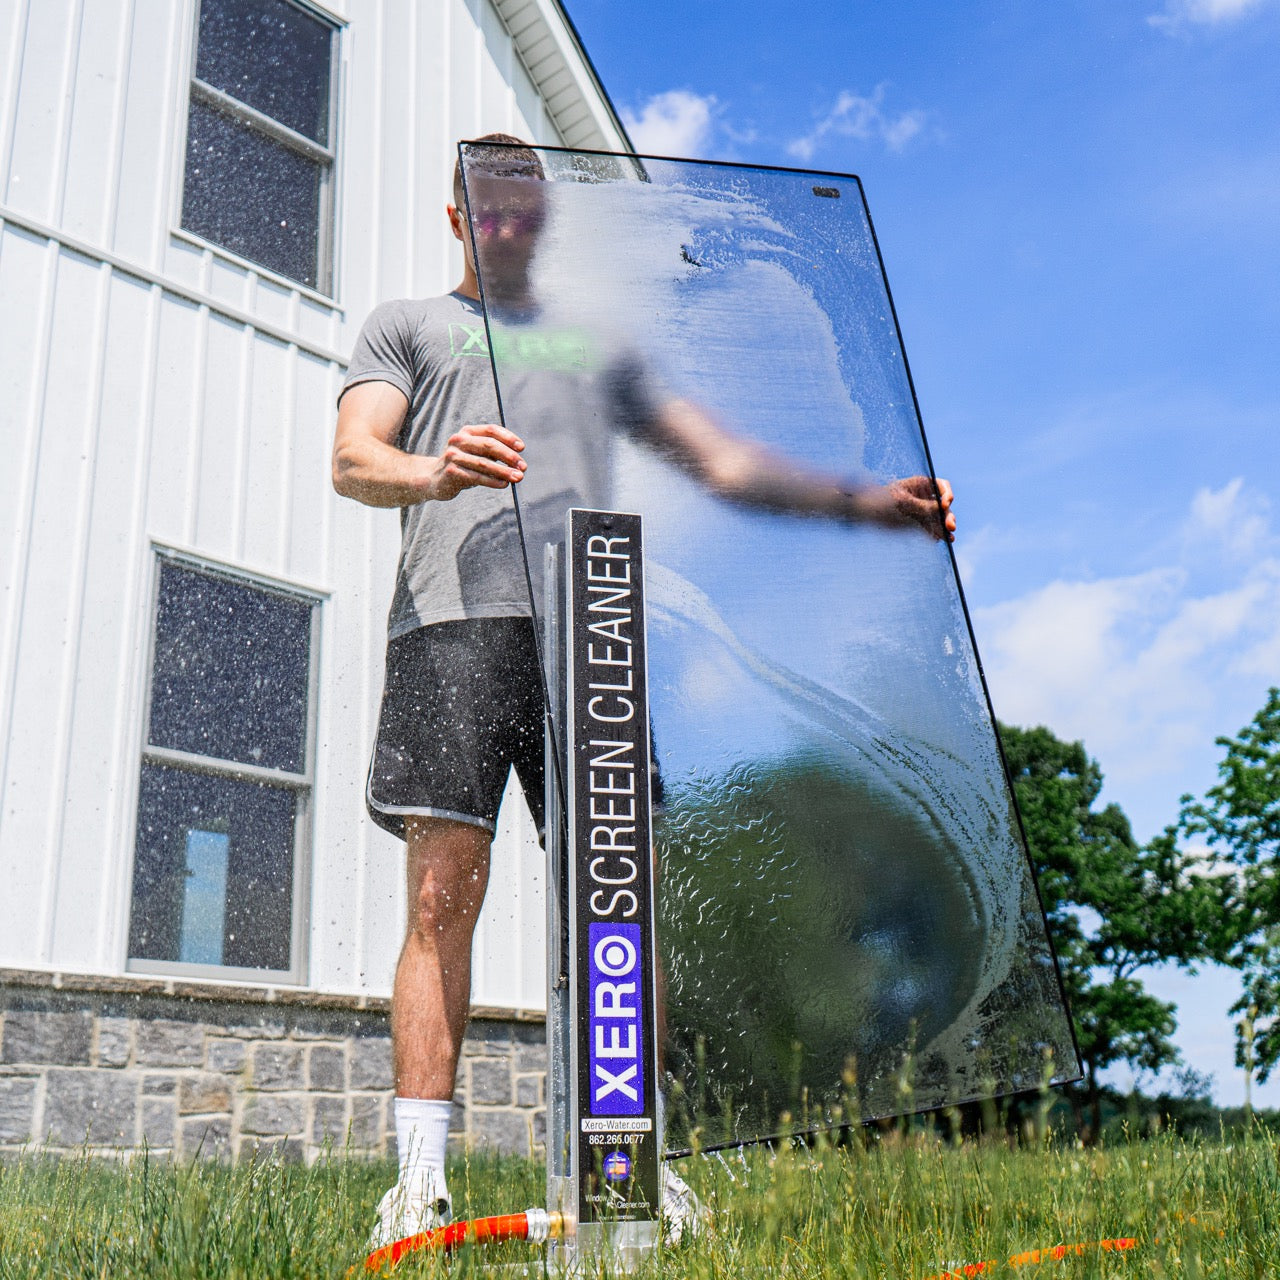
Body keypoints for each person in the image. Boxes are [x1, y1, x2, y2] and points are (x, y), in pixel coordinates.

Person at [332, 134, 956, 1248]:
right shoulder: (407, 326)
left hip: (595, 629)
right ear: (456, 216)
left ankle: (636, 1160)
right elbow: (351, 458)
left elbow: (724, 463)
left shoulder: (590, 340)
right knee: (441, 895)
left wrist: (873, 503)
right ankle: (418, 1179)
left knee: (621, 898)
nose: (508, 226)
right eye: (489, 209)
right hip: (449, 628)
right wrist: (436, 468)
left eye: (527, 210)